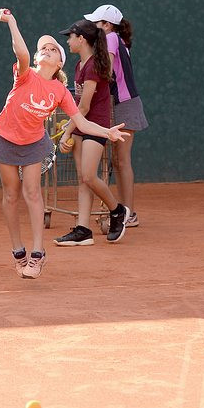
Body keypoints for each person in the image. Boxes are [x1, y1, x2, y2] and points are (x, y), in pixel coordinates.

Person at [0, 10, 128, 279]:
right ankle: (18, 249)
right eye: (43, 48)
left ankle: (38, 253)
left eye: (53, 49)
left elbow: (82, 122)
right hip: (5, 138)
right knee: (10, 195)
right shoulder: (25, 74)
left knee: (32, 194)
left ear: (59, 63)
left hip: (32, 143)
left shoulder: (60, 91)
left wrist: (106, 131)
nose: (48, 50)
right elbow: (21, 53)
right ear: (37, 57)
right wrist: (12, 23)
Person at [56, 20, 131, 246]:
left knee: (89, 176)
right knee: (83, 179)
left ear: (81, 39)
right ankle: (83, 229)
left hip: (95, 125)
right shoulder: (79, 66)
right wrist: (71, 128)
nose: (68, 42)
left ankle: (117, 210)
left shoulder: (93, 67)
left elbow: (84, 107)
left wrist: (66, 132)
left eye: (70, 37)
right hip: (81, 125)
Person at [84, 4, 148, 228]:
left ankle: (128, 213)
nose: (93, 26)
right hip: (118, 104)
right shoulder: (116, 39)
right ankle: (124, 210)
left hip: (124, 105)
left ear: (107, 25)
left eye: (96, 22)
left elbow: (107, 70)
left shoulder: (111, 38)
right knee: (117, 161)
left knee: (121, 160)